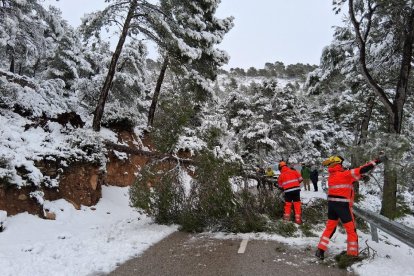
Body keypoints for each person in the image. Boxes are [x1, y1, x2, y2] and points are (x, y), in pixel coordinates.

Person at [315, 155, 382, 260]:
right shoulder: (345, 174)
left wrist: (361, 177)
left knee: (330, 228)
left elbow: (348, 180)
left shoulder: (332, 176)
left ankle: (320, 250)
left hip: (332, 205)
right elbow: (362, 169)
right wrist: (376, 162)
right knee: (351, 230)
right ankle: (352, 254)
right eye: (342, 164)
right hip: (343, 206)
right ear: (339, 164)